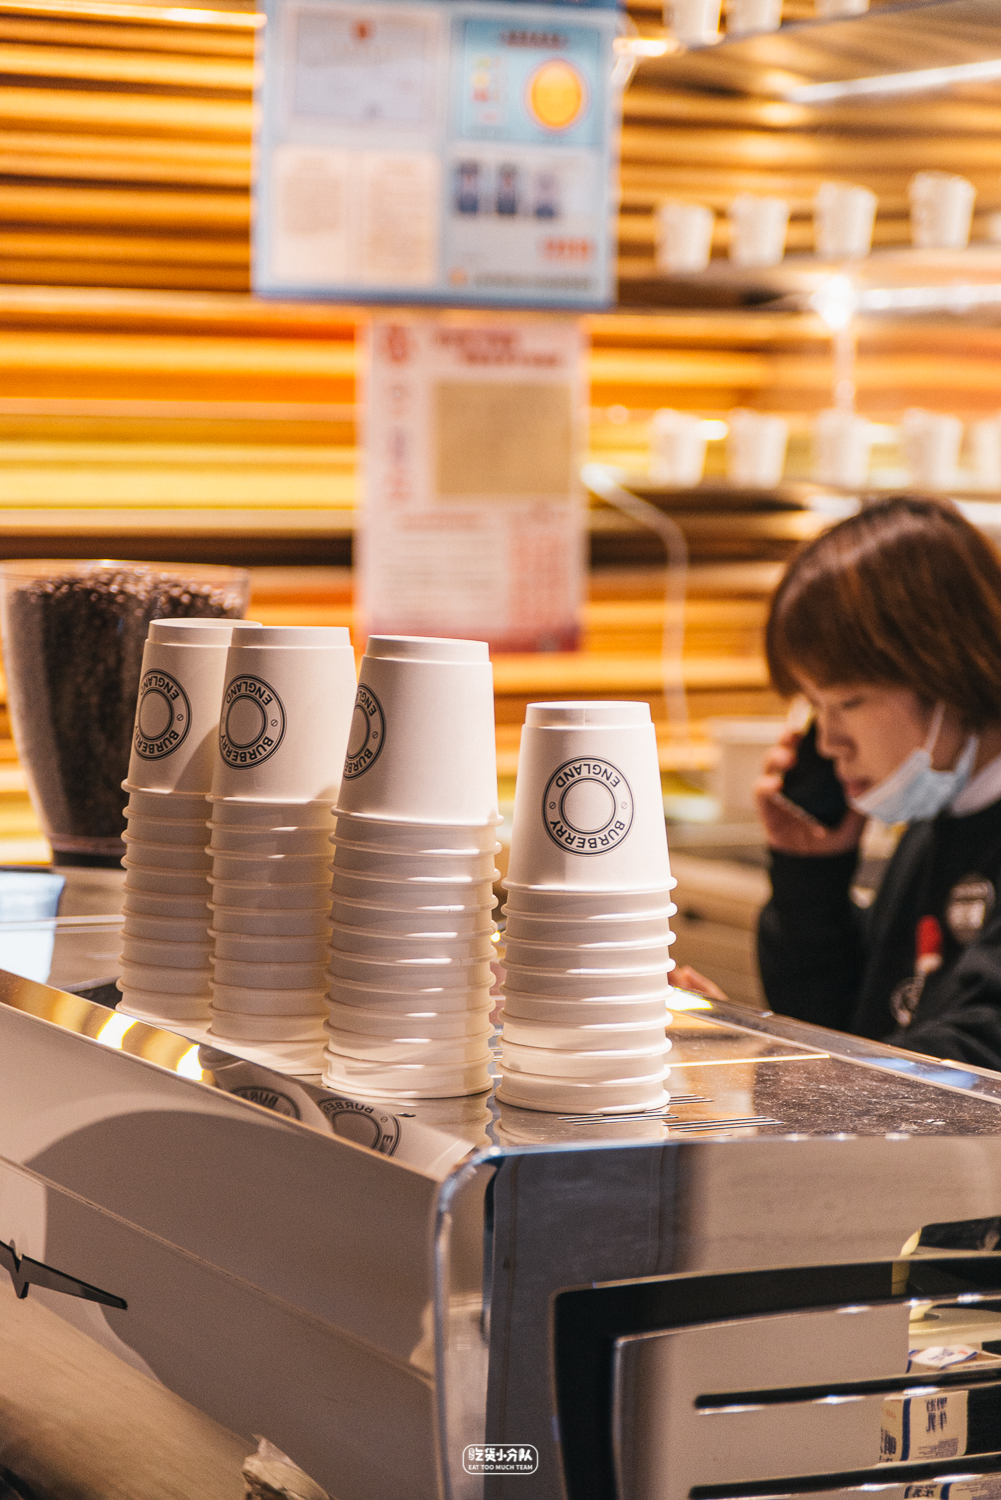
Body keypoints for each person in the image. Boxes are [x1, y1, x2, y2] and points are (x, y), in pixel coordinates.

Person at [755, 495, 1001, 1069]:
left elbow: (981, 1054)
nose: (827, 742)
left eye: (848, 702)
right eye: (815, 706)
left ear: (942, 670)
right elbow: (855, 1023)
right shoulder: (940, 819)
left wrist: (776, 1064)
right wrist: (810, 877)